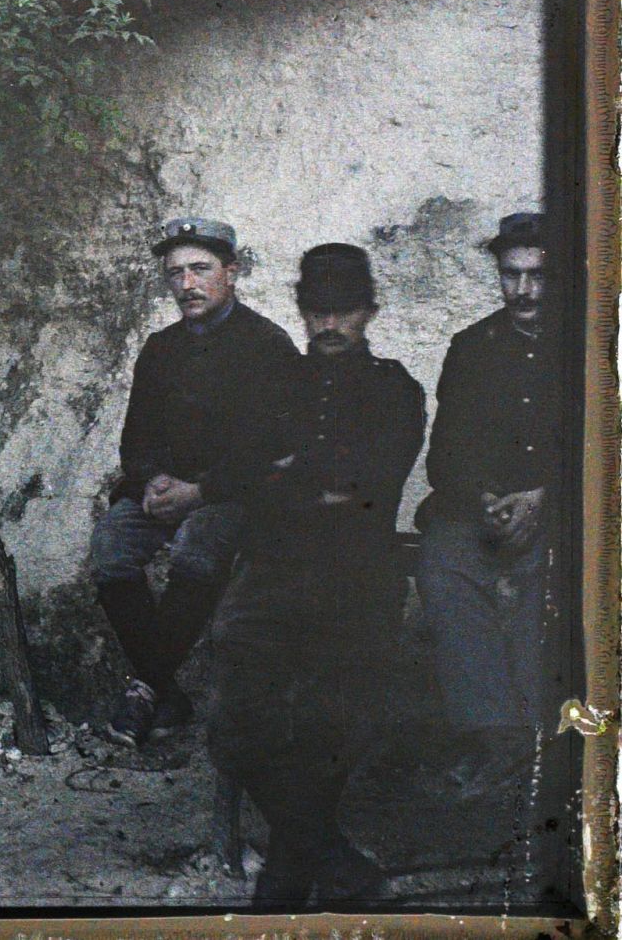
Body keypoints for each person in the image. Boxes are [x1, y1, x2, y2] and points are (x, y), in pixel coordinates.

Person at [208, 243, 425, 908]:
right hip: (272, 574)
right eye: (317, 310)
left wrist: (291, 474)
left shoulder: (396, 388)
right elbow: (244, 474)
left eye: (345, 310)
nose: (330, 324)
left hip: (358, 578)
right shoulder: (273, 384)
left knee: (332, 723)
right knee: (234, 725)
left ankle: (286, 875)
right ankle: (333, 859)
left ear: (370, 311)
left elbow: (371, 483)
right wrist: (307, 482)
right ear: (301, 311)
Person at [91, 217, 299, 747]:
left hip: (232, 495)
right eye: (175, 273)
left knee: (197, 550)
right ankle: (167, 692)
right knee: (111, 545)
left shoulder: (267, 346)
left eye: (200, 269)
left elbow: (270, 451)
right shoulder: (161, 348)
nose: (187, 284)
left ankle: (145, 688)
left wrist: (200, 492)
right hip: (166, 492)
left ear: (231, 272)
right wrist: (153, 479)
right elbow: (135, 439)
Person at [414, 212, 568, 791]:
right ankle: (498, 737)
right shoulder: (472, 347)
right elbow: (445, 456)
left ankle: (541, 736)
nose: (523, 290)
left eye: (538, 276)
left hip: (566, 515)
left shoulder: (597, 344)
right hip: (485, 513)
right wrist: (485, 499)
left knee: (545, 578)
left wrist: (545, 498)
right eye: (510, 274)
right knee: (444, 565)